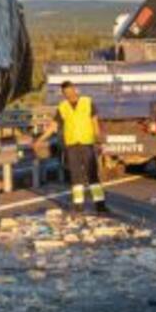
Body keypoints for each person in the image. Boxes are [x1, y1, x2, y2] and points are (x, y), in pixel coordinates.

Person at [36, 81, 108, 214]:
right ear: (63, 94)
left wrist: (98, 139)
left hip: (87, 144)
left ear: (75, 90)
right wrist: (40, 139)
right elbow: (53, 126)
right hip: (72, 146)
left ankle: (100, 206)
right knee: (75, 177)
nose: (69, 94)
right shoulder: (62, 107)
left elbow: (95, 122)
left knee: (92, 176)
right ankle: (78, 207)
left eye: (70, 91)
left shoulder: (87, 102)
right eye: (66, 93)